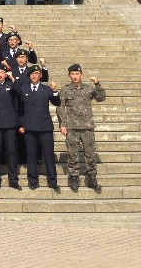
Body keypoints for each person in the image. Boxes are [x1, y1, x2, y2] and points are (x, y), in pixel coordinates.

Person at [57, 63, 106, 192]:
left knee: (90, 153)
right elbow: (60, 108)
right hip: (72, 127)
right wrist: (62, 124)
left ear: (81, 75)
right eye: (72, 74)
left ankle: (92, 176)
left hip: (87, 126)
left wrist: (97, 84)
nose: (75, 76)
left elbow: (101, 98)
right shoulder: (65, 90)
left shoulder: (89, 89)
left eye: (77, 74)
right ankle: (74, 176)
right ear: (69, 75)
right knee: (72, 153)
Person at [19, 65, 61, 192]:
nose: (34, 76)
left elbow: (57, 102)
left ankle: (52, 180)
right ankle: (33, 180)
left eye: (36, 73)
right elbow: (20, 108)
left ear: (41, 75)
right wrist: (21, 124)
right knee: (31, 155)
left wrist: (55, 91)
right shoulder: (24, 89)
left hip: (44, 126)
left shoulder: (46, 89)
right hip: (30, 126)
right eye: (32, 74)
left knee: (48, 154)